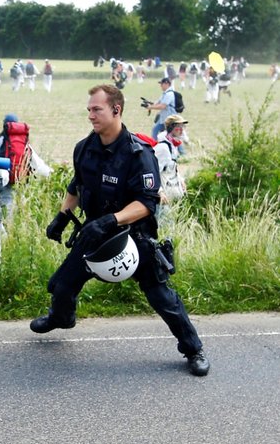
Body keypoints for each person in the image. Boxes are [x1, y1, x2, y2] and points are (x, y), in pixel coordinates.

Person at [30, 84, 210, 378]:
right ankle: (62, 318)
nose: (91, 115)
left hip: (133, 235)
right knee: (62, 285)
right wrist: (62, 217)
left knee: (161, 297)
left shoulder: (138, 153)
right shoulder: (84, 148)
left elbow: (147, 203)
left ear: (116, 110)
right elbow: (76, 186)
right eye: (89, 109)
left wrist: (112, 219)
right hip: (93, 232)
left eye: (97, 109)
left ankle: (194, 349)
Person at [153, 114, 188, 231]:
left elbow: (172, 167)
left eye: (183, 126)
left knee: (168, 224)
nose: (182, 129)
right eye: (178, 126)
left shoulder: (172, 145)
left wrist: (181, 180)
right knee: (166, 227)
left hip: (169, 195)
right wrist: (160, 192)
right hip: (161, 198)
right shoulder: (163, 148)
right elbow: (153, 172)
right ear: (171, 128)